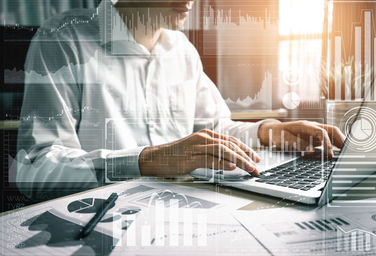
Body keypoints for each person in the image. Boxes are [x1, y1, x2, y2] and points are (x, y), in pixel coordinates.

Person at [17, 0, 345, 199]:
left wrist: (267, 131)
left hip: (185, 208)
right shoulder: (63, 38)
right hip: (102, 222)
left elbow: (214, 129)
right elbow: (35, 170)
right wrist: (147, 160)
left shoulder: (182, 50)